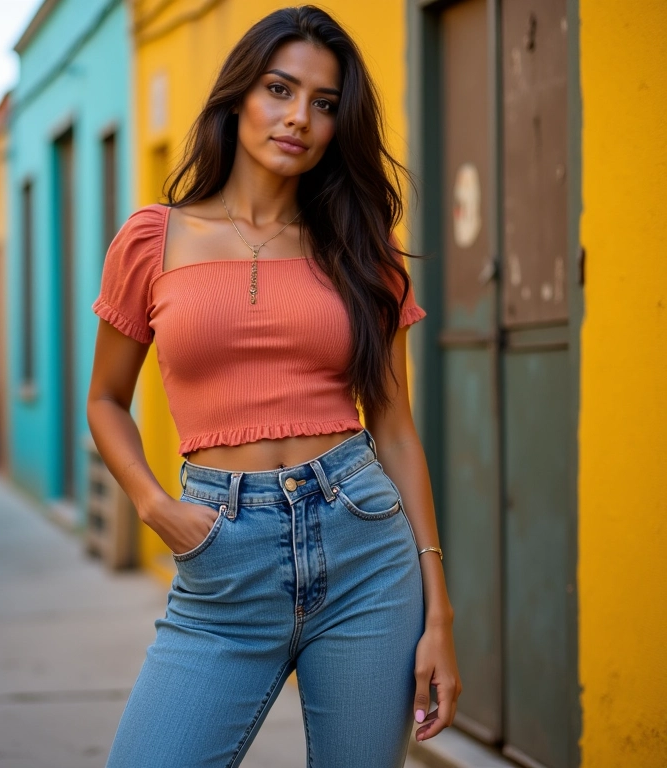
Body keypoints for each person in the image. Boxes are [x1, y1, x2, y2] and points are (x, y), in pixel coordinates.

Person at [87, 6, 461, 767]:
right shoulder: (154, 239)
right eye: (280, 89)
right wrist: (154, 506)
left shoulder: (363, 247)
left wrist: (439, 610)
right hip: (223, 554)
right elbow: (105, 400)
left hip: (365, 549)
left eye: (324, 103)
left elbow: (394, 429)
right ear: (238, 98)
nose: (299, 118)